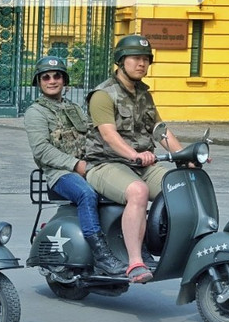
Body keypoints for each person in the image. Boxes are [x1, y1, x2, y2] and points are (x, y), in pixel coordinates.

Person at [84, 35, 185, 283]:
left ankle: (168, 244)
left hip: (140, 164)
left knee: (180, 185)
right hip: (104, 164)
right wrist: (135, 155)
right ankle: (135, 262)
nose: (141, 64)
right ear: (121, 61)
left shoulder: (143, 94)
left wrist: (184, 156)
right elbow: (109, 135)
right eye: (135, 58)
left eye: (145, 59)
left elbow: (159, 129)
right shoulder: (102, 95)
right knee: (138, 191)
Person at [23, 55, 123, 276]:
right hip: (59, 174)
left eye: (57, 76)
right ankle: (101, 254)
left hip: (86, 167)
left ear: (64, 80)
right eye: (46, 77)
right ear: (39, 82)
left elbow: (93, 135)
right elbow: (41, 150)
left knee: (124, 186)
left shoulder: (74, 108)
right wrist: (75, 164)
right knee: (86, 194)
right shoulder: (35, 113)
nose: (52, 81)